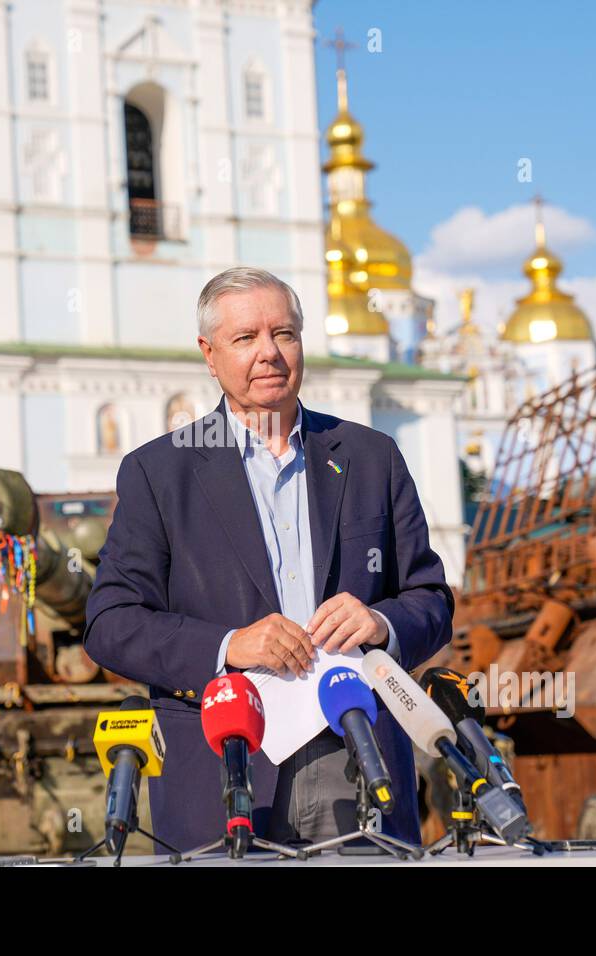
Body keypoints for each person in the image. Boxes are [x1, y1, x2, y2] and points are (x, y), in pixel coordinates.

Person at [83, 266, 454, 852]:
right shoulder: (161, 472)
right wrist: (229, 644)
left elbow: (430, 600)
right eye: (245, 338)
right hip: (223, 766)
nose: (269, 354)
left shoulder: (371, 457)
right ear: (209, 354)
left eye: (283, 334)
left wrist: (381, 622)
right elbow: (111, 624)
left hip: (355, 758)